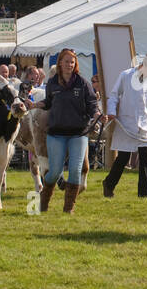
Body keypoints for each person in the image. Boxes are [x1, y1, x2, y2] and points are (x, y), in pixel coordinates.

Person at [29, 48, 99, 213]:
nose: (69, 64)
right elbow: (48, 102)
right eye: (66, 61)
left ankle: (68, 209)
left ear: (75, 64)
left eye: (72, 62)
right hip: (57, 134)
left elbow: (92, 104)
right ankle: (43, 204)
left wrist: (97, 115)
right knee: (54, 172)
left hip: (78, 134)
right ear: (60, 62)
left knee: (75, 171)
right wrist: (35, 105)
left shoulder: (82, 83)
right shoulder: (53, 83)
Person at [103, 53, 147, 199]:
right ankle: (109, 184)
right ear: (143, 65)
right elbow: (114, 95)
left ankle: (144, 194)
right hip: (126, 123)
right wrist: (111, 112)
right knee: (123, 157)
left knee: (145, 158)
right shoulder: (126, 75)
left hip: (145, 124)